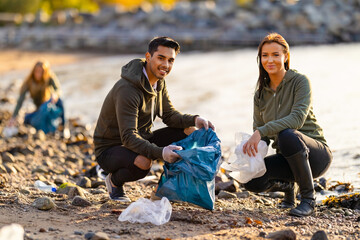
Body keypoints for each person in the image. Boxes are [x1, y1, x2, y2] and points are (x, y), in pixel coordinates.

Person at [94, 36, 215, 202]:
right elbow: (128, 136)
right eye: (161, 58)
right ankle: (114, 182)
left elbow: (169, 116)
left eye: (171, 60)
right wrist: (161, 153)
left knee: (189, 132)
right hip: (111, 148)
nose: (166, 65)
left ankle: (176, 187)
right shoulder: (127, 89)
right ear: (148, 57)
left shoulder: (159, 82)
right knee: (144, 163)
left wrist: (195, 119)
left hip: (140, 139)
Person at [242, 33, 332, 217]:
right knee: (249, 179)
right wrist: (248, 153)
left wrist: (261, 131)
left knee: (287, 135)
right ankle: (288, 186)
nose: (270, 60)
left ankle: (308, 199)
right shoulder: (260, 94)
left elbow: (297, 119)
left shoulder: (300, 82)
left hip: (315, 156)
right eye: (265, 55)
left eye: (275, 54)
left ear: (286, 56)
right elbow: (262, 136)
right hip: (287, 159)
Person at [8, 60, 65, 134]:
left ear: (45, 72)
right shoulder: (29, 82)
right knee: (27, 120)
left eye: (41, 72)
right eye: (37, 71)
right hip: (39, 109)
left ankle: (64, 125)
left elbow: (58, 89)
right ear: (33, 71)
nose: (38, 74)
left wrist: (55, 95)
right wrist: (13, 117)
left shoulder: (49, 77)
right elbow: (20, 100)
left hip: (49, 104)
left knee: (60, 100)